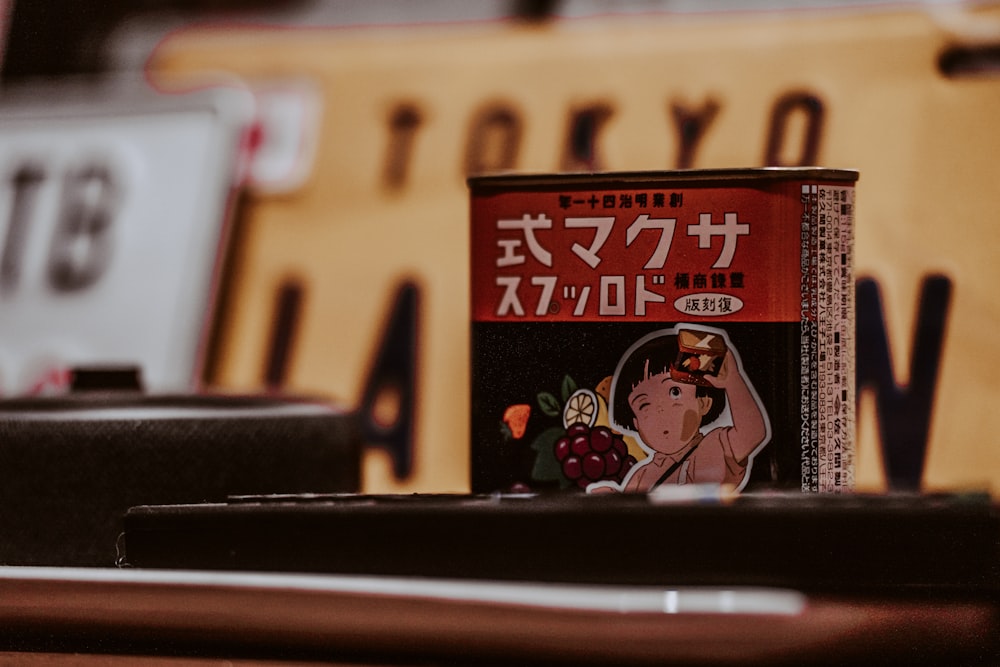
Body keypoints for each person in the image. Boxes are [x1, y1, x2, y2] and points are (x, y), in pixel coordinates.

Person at [595, 327, 770, 493]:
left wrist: (732, 381)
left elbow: (752, 434)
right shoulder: (641, 476)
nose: (660, 411)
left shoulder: (715, 445)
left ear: (703, 403)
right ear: (636, 423)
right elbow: (632, 512)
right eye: (644, 404)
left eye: (674, 392)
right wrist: (611, 497)